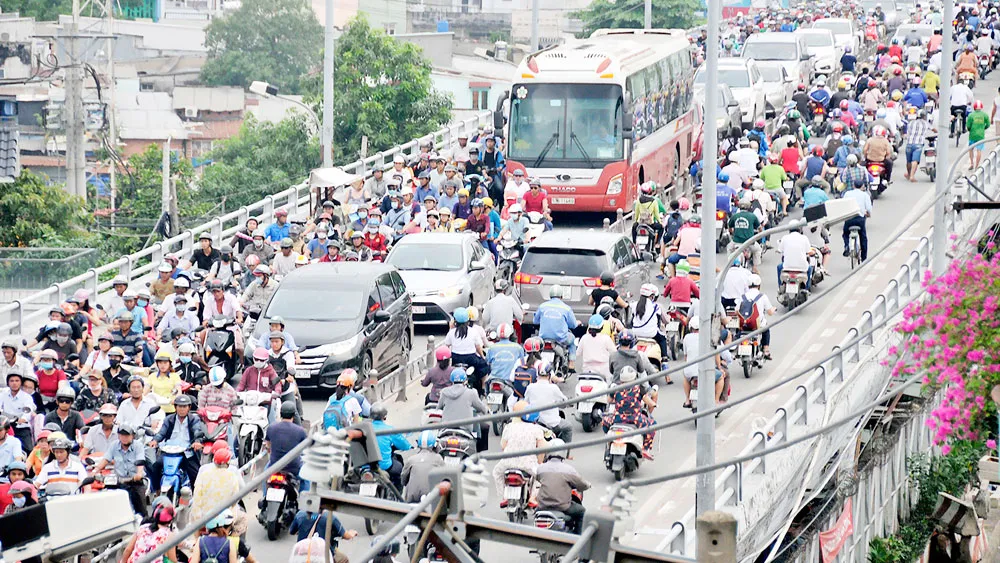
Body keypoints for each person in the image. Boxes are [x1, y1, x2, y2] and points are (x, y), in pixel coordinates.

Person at [147, 394, 204, 492]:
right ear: (175, 407)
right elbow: (161, 433)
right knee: (155, 467)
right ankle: (157, 491)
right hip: (169, 451)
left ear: (189, 407)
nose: (182, 409)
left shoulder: (194, 419)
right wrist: (155, 440)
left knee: (195, 474)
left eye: (184, 406)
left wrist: (197, 442)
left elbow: (197, 432)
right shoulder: (169, 419)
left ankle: (195, 496)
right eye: (179, 406)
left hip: (186, 452)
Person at [533, 439, 589, 534]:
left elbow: (538, 478)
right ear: (564, 452)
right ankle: (578, 540)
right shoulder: (568, 470)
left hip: (542, 506)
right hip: (562, 506)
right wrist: (588, 485)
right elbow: (582, 485)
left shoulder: (541, 468)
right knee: (581, 512)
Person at [602, 366, 657, 459]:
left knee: (604, 422)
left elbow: (609, 400)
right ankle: (646, 449)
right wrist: (654, 404)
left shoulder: (615, 388)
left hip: (617, 419)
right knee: (653, 425)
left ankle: (609, 442)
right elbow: (648, 402)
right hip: (635, 419)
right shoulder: (639, 388)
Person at [91, 422, 147, 514]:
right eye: (121, 435)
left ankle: (143, 522)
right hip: (118, 481)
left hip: (134, 481)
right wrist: (95, 470)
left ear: (133, 436)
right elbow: (106, 459)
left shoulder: (138, 446)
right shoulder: (114, 445)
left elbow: (140, 460)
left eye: (127, 435)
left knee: (140, 508)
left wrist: (139, 473)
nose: (124, 438)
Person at [534, 285, 580, 371]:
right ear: (562, 296)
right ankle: (571, 364)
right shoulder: (566, 308)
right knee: (572, 340)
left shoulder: (542, 306)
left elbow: (535, 321)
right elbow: (573, 325)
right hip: (560, 339)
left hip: (543, 338)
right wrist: (578, 322)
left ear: (550, 296)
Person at [443, 307, 488, 392]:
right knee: (485, 367)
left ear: (455, 321)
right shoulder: (473, 332)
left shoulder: (451, 332)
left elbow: (446, 346)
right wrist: (482, 357)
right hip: (471, 359)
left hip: (456, 358)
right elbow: (478, 347)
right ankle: (483, 387)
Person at [289, 509, 358, 563]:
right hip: (324, 555)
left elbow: (292, 531)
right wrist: (352, 533)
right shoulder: (330, 517)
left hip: (302, 553)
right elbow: (346, 536)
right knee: (343, 559)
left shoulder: (300, 515)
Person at [524, 365, 572, 443]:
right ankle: (566, 453)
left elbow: (526, 402)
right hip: (552, 423)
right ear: (549, 376)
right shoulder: (553, 388)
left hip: (536, 423)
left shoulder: (530, 387)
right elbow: (564, 400)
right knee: (568, 427)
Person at [368, 405, 411, 490]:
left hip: (366, 466)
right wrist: (409, 446)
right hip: (384, 466)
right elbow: (405, 446)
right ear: (384, 417)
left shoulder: (364, 429)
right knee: (399, 467)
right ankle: (398, 494)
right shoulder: (389, 430)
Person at [438, 368, 487, 436]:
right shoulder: (472, 392)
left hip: (446, 428)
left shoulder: (444, 392)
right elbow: (482, 408)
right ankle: (478, 446)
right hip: (466, 429)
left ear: (451, 380)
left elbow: (439, 408)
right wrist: (485, 410)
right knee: (484, 427)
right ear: (465, 381)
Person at [737, 275, 777, 359]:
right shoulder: (762, 296)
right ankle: (766, 349)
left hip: (744, 324)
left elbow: (736, 310)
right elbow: (770, 312)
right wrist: (774, 309)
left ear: (748, 285)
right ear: (759, 285)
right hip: (757, 325)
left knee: (738, 332)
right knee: (766, 328)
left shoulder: (742, 297)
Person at [629, 283, 671, 360]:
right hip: (652, 334)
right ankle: (664, 359)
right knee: (663, 339)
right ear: (652, 296)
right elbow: (660, 321)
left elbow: (631, 322)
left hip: (636, 333)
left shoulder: (634, 305)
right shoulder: (656, 306)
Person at [402, 430, 444, 502]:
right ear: (434, 445)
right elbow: (444, 477)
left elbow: (403, 480)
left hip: (411, 499)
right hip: (431, 498)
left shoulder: (411, 459)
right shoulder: (438, 459)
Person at [2, 371, 36, 453]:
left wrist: (23, 419)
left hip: (21, 427)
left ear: (21, 383)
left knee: (29, 450)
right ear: (8, 383)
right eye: (12, 381)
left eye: (17, 381)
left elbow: (27, 411)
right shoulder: (3, 395)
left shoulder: (27, 397)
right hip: (5, 427)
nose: (14, 383)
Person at [576, 315, 616, 379]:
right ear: (602, 327)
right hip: (604, 371)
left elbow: (578, 353)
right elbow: (614, 353)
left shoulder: (584, 338)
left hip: (587, 370)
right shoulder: (606, 338)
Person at [841, 182, 873, 261]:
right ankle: (864, 257)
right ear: (862, 186)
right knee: (863, 237)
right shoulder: (865, 195)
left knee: (845, 233)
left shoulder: (847, 194)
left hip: (849, 219)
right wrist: (868, 214)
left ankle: (847, 246)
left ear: (853, 185)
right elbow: (868, 208)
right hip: (860, 219)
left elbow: (843, 204)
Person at [967, 100, 991, 169]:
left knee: (970, 149)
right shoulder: (984, 115)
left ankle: (971, 163)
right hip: (981, 135)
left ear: (974, 107)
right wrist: (983, 128)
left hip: (972, 135)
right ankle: (976, 166)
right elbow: (988, 124)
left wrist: (970, 130)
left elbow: (968, 126)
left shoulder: (971, 115)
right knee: (979, 150)